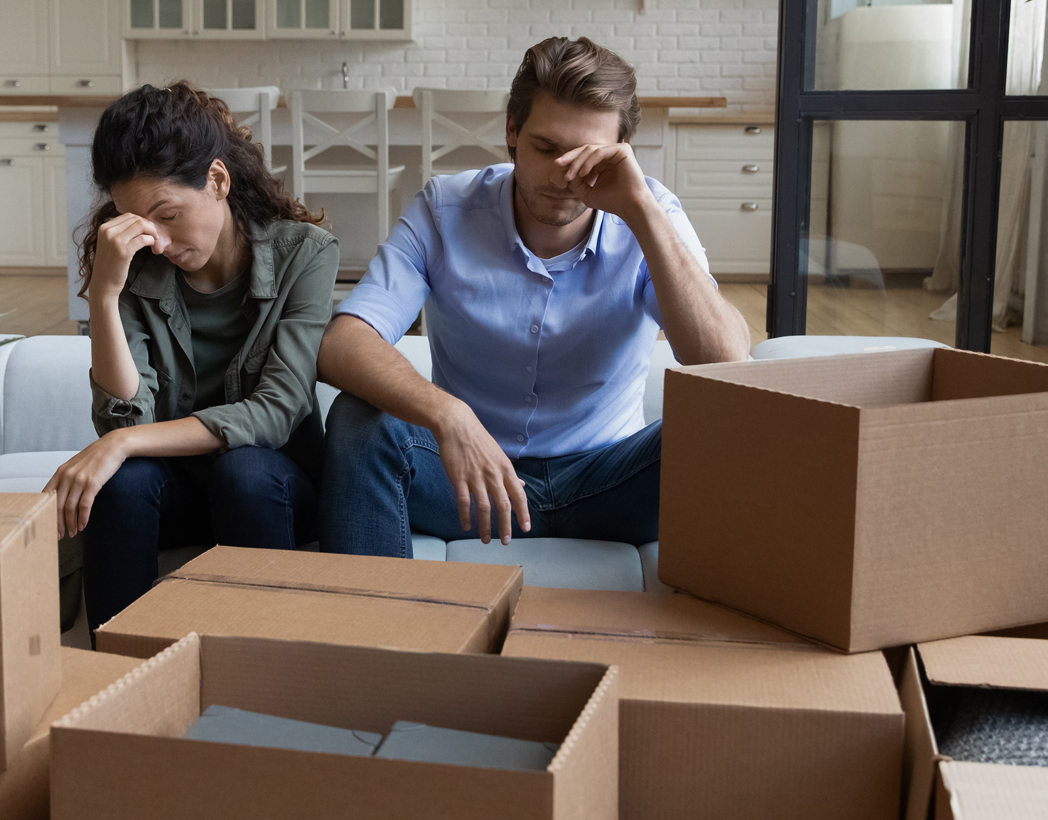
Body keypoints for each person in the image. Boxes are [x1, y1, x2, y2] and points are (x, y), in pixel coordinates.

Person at [317, 37, 750, 557]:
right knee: (356, 421)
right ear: (512, 133)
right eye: (546, 149)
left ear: (621, 152)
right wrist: (448, 415)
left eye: (588, 156)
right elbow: (344, 343)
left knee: (735, 425)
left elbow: (727, 361)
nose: (564, 175)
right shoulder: (445, 209)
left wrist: (640, 211)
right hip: (467, 480)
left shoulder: (651, 212)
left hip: (610, 480)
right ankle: (371, 632)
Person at [44, 82, 338, 629]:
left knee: (243, 472)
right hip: (176, 491)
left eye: (168, 215)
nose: (156, 240)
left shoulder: (305, 254)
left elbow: (277, 409)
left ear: (218, 180)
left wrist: (123, 441)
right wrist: (105, 295)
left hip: (268, 489)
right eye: (137, 223)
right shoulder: (134, 264)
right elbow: (122, 416)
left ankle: (268, 669)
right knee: (122, 481)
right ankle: (119, 677)